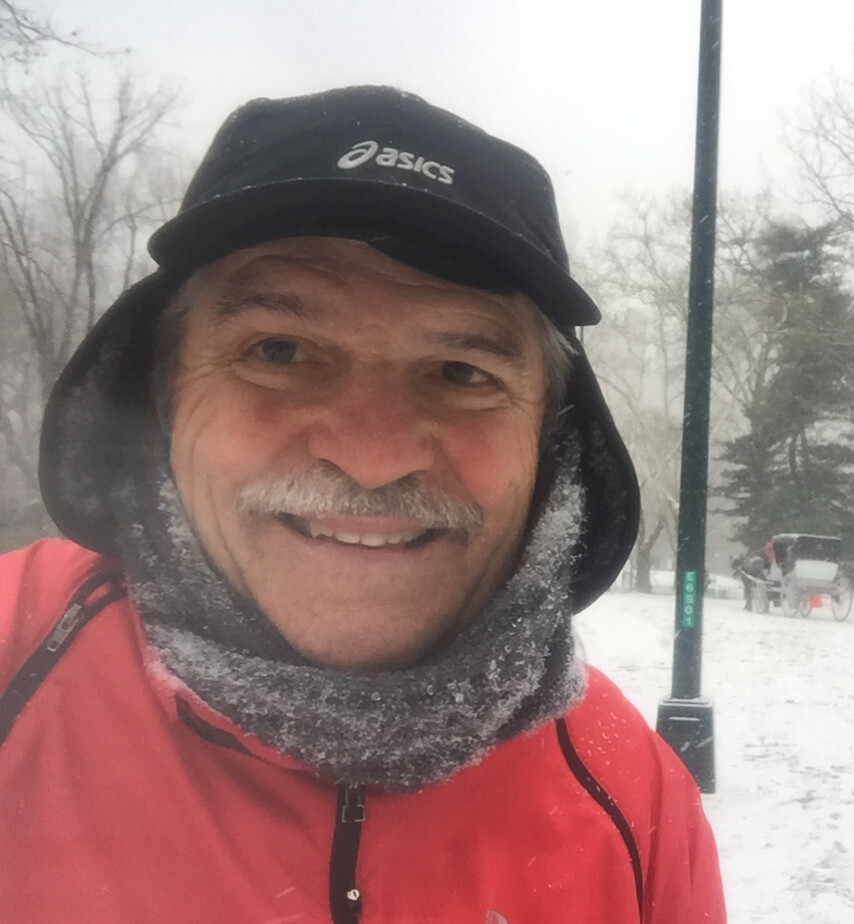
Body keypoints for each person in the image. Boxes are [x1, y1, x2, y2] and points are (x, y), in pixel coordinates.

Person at [0, 86, 724, 923]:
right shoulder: (17, 662)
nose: (372, 457)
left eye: (461, 372)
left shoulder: (635, 798)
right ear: (162, 397)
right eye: (280, 351)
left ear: (548, 447)